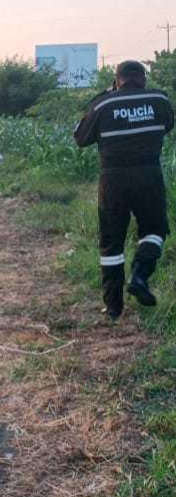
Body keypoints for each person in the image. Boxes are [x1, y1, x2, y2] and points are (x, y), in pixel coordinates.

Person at [74, 60, 175, 319]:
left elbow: (80, 138)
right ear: (143, 79)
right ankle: (140, 275)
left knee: (111, 243)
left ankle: (113, 308)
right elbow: (167, 126)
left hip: (113, 180)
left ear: (116, 80)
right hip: (149, 175)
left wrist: (108, 96)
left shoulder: (103, 104)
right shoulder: (159, 100)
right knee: (154, 230)